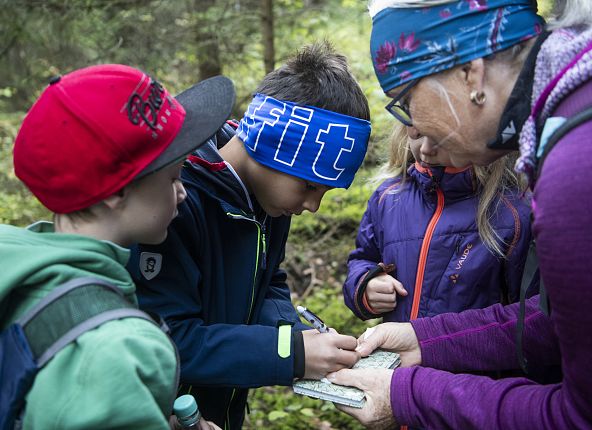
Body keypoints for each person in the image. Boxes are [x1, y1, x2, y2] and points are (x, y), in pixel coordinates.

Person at [328, 0, 592, 428]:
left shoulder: (573, 169)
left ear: (472, 72)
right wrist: (425, 341)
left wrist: (408, 395)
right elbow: (555, 322)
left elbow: (576, 417)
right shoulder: (572, 117)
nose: (412, 126)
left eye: (406, 98)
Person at [127, 42, 372, 429]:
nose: (313, 206)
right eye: (310, 186)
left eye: (325, 192)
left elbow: (269, 280)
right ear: (275, 148)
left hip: (221, 410)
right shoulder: (174, 203)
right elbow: (172, 340)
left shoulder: (268, 202)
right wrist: (288, 354)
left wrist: (292, 333)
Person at [0, 64, 234, 429]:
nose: (183, 192)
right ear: (118, 191)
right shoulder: (116, 352)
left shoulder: (18, 268)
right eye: (173, 176)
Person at [343, 123, 532, 322]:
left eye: (441, 137)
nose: (424, 149)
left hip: (471, 351)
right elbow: (363, 258)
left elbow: (529, 316)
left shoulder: (513, 213)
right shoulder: (388, 197)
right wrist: (366, 285)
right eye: (417, 134)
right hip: (398, 352)